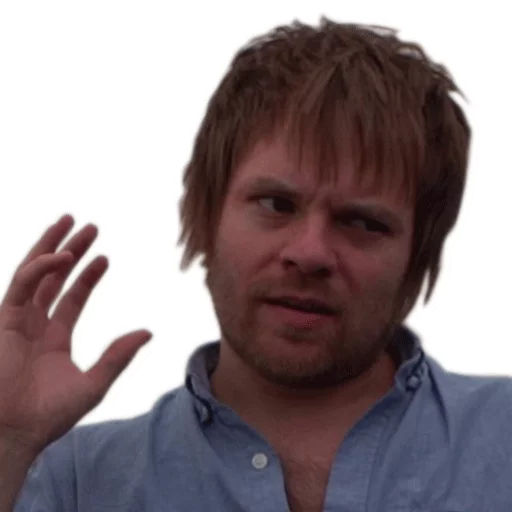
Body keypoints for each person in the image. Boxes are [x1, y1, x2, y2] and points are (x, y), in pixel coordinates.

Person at [2, 15, 511, 512]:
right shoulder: (77, 482)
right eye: (275, 204)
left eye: (362, 222)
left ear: (417, 254)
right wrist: (7, 442)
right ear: (206, 216)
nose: (309, 253)